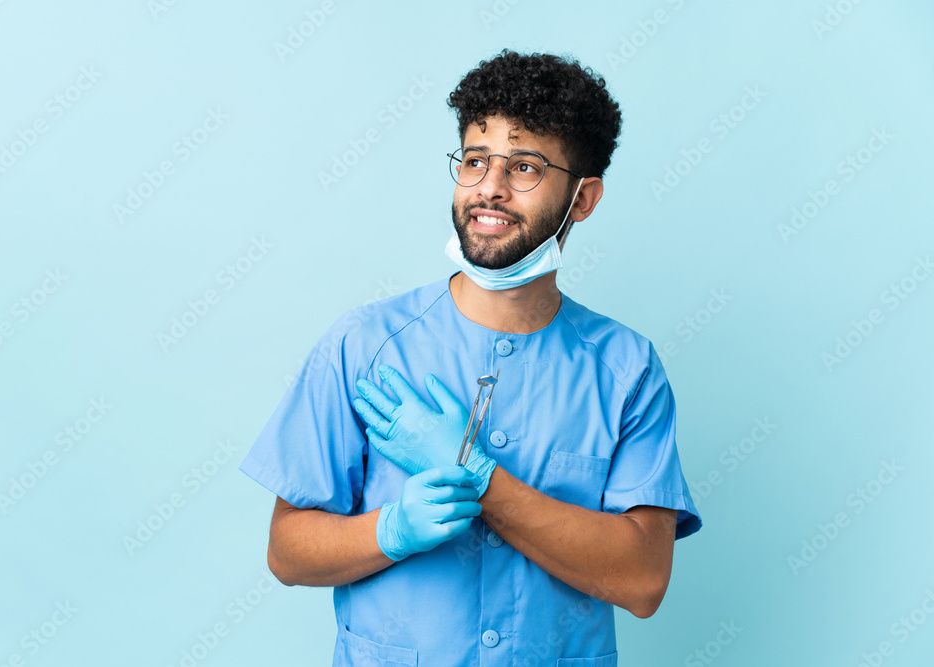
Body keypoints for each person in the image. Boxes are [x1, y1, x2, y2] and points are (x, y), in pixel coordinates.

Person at [239, 49, 701, 666]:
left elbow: (642, 582)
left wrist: (479, 477)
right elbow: (287, 552)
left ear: (583, 199)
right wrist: (390, 530)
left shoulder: (625, 370)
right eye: (476, 161)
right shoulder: (364, 346)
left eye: (526, 167)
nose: (489, 187)